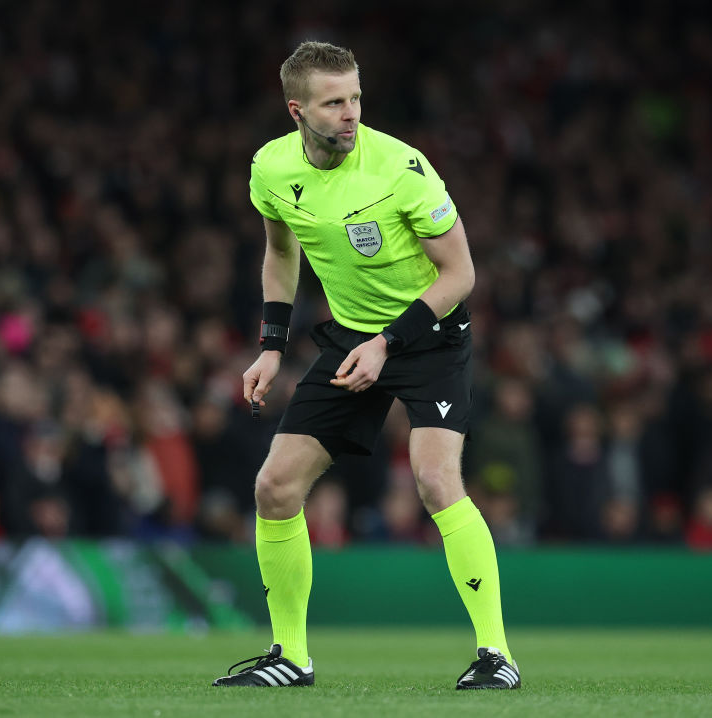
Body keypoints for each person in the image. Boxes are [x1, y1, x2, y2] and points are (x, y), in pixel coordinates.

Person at [212, 41, 519, 690]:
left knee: (436, 481)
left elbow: (460, 273)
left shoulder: (403, 169)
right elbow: (279, 253)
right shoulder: (270, 168)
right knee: (274, 487)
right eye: (334, 102)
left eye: (356, 97)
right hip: (351, 338)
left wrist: (387, 340)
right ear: (298, 110)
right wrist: (271, 345)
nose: (351, 113)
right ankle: (290, 656)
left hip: (427, 335)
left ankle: (496, 655)